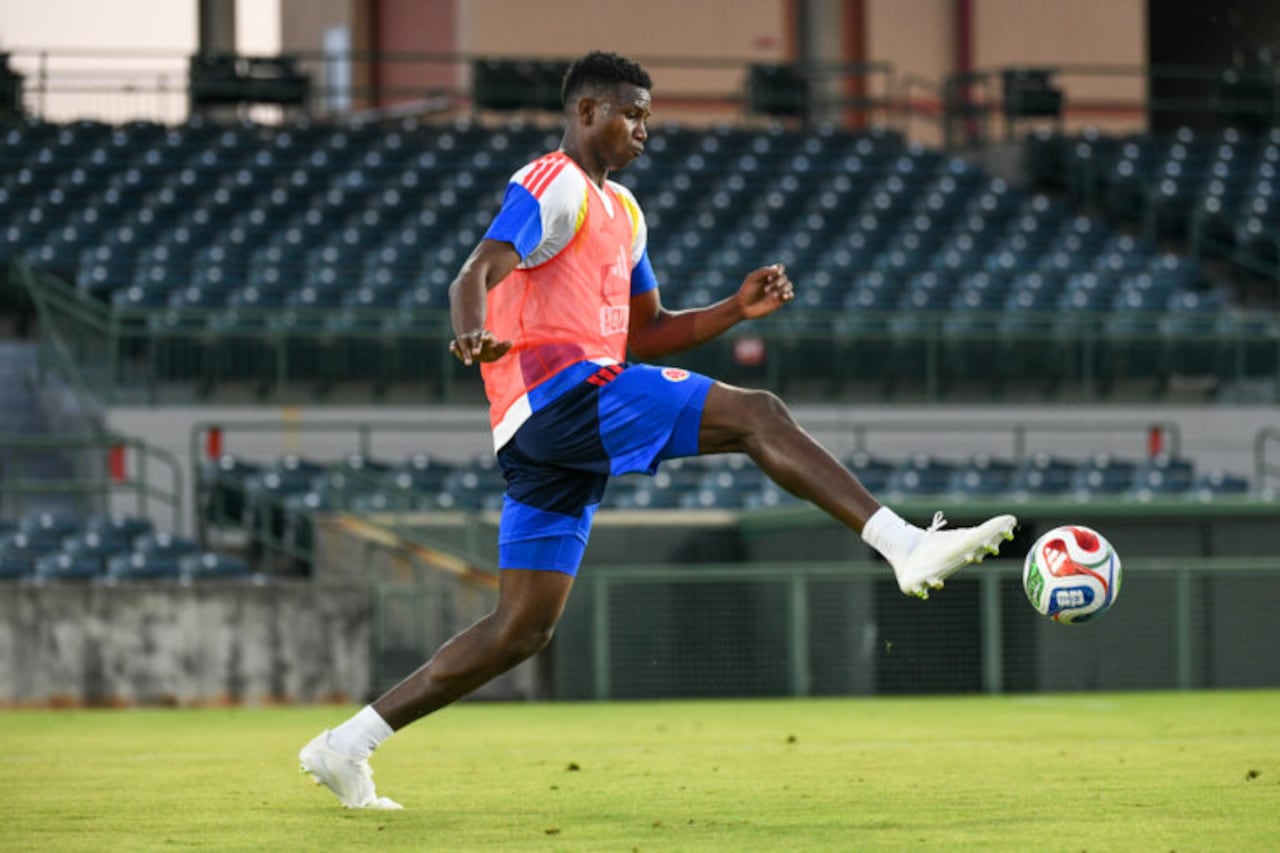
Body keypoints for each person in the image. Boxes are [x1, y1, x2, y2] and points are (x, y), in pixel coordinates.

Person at [300, 50, 1016, 810]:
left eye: (647, 115)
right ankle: (904, 544)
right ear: (585, 113)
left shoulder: (626, 212)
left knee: (521, 629)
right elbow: (473, 271)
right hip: (560, 398)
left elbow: (648, 332)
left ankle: (347, 745)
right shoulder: (554, 182)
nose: (643, 128)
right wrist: (471, 332)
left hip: (551, 430)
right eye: (629, 113)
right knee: (758, 413)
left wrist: (733, 311)